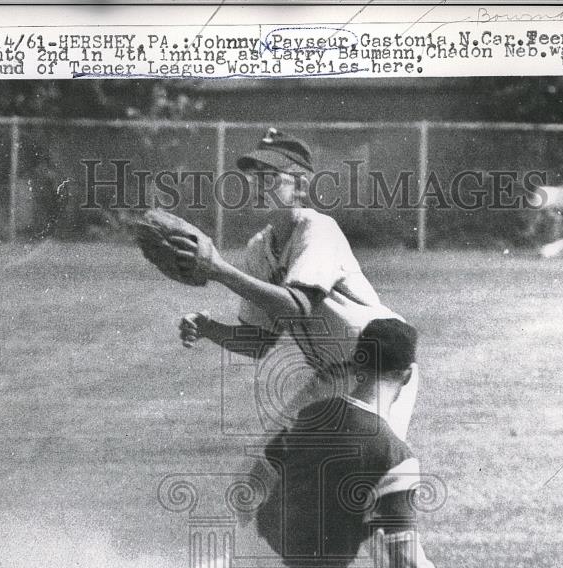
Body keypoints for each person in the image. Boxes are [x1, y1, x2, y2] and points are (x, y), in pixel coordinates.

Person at [249, 318, 461, 568]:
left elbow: (254, 484)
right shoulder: (394, 454)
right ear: (407, 375)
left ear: (357, 364)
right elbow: (405, 563)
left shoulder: (310, 413)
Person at [178, 127, 418, 439]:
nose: (257, 186)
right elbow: (258, 341)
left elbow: (296, 306)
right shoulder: (258, 249)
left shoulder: (318, 230)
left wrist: (221, 271)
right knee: (271, 461)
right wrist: (209, 328)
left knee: (371, 459)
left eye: (270, 177)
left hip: (382, 368)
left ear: (301, 186)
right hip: (329, 375)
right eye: (253, 177)